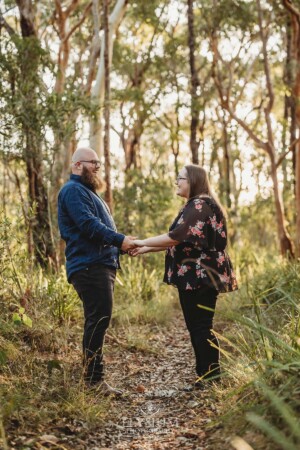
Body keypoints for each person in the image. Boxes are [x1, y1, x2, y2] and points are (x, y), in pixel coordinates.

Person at [130, 164, 238, 390]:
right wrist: (145, 249)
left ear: (193, 181)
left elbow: (174, 238)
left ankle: (210, 378)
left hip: (199, 275)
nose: (176, 182)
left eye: (180, 178)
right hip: (198, 274)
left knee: (200, 326)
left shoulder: (199, 204)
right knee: (198, 325)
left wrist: (141, 242)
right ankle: (207, 377)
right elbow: (182, 240)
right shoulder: (199, 204)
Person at [58, 147, 136, 394]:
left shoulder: (87, 193)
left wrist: (123, 246)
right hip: (88, 265)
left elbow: (98, 230)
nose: (98, 168)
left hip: (100, 264)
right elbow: (88, 226)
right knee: (98, 319)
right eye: (94, 163)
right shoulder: (72, 191)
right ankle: (93, 381)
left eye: (99, 164)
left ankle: (93, 379)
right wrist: (119, 239)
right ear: (77, 165)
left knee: (99, 318)